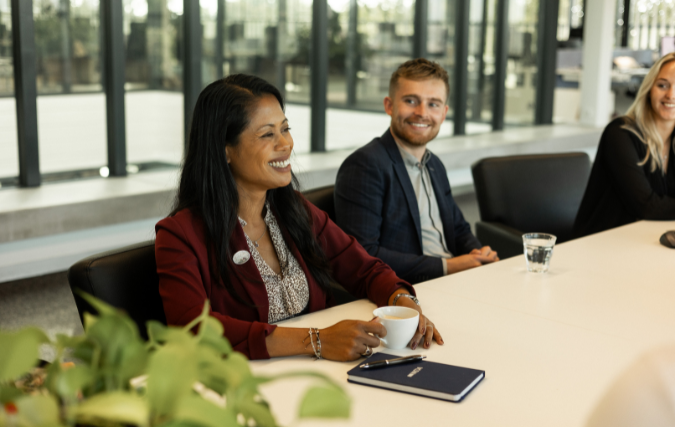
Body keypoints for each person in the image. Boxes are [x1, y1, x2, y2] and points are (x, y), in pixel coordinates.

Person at [155, 74, 442, 361]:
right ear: (224, 150)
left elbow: (366, 269)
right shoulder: (179, 234)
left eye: (285, 129)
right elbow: (192, 329)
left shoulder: (294, 210)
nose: (286, 144)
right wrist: (316, 341)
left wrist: (404, 302)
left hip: (318, 373)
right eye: (267, 134)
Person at [334, 58, 498, 285]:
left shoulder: (435, 164)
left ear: (443, 112)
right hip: (406, 291)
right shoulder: (365, 165)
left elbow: (458, 229)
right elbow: (363, 254)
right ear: (389, 106)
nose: (422, 113)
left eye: (433, 104)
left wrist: (480, 253)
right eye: (411, 101)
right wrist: (448, 266)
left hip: (453, 280)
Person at [573, 53, 675, 238]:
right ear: (649, 88)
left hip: (646, 240)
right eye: (662, 85)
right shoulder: (620, 133)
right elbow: (646, 206)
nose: (671, 95)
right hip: (600, 243)